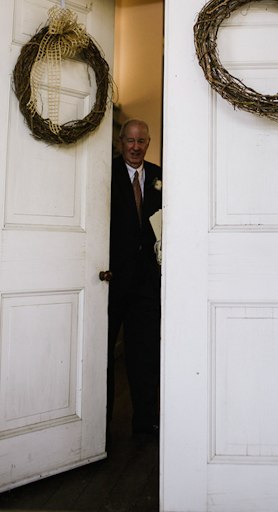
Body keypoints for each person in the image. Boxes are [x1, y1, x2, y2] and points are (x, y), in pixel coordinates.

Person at [107, 118, 162, 437]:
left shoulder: (159, 176)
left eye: (141, 141)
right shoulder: (107, 171)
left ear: (148, 143)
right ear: (120, 141)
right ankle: (99, 424)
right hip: (112, 279)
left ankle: (145, 421)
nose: (135, 147)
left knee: (144, 356)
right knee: (103, 357)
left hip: (146, 284)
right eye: (130, 141)